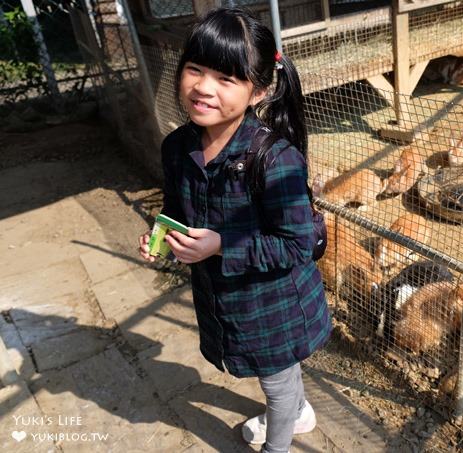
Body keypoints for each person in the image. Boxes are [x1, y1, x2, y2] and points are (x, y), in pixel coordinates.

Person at [137, 7, 332, 453]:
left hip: (275, 304)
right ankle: (299, 412)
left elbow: (297, 244)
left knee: (277, 383)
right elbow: (177, 209)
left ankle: (279, 444)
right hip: (223, 297)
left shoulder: (274, 158)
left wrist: (222, 245)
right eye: (195, 70)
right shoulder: (177, 146)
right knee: (280, 378)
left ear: (258, 91)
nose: (204, 88)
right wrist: (163, 238)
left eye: (226, 79)